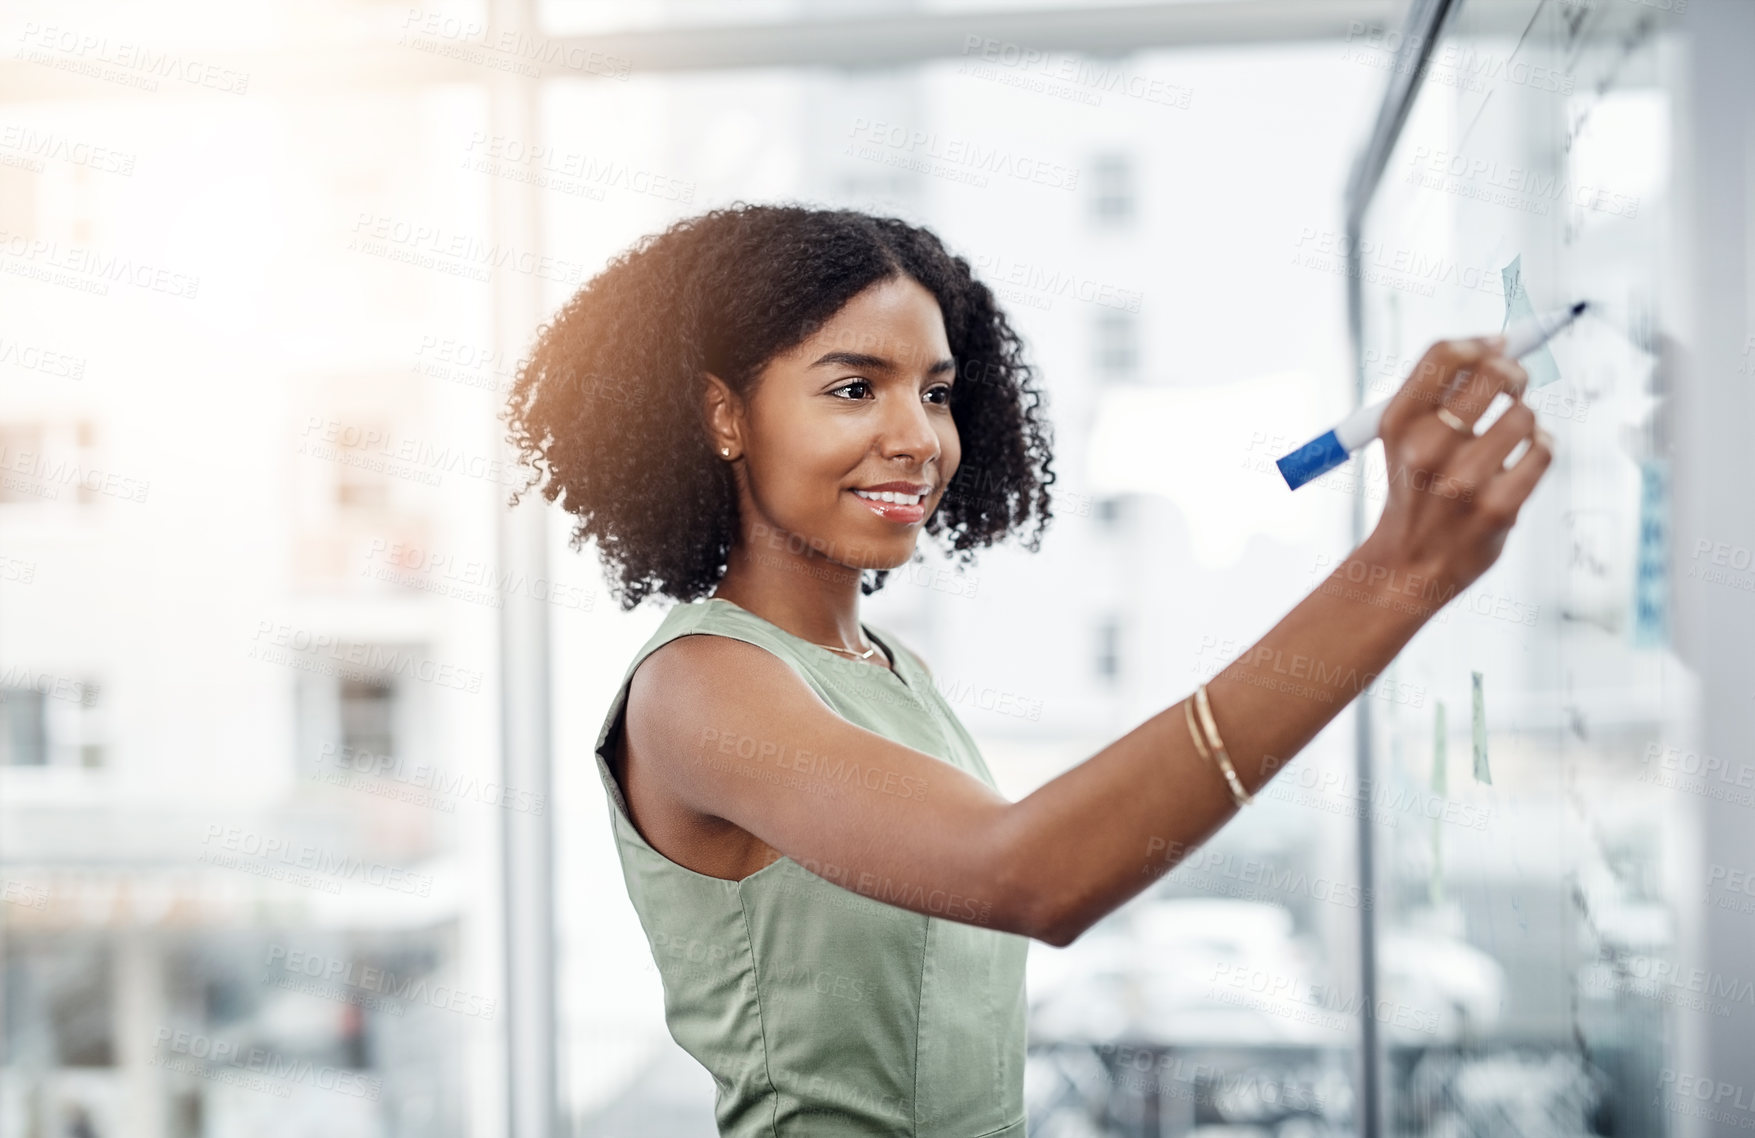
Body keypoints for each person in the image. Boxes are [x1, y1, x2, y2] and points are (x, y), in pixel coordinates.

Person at [501, 203, 1549, 1137]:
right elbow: (1030, 873)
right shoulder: (701, 688)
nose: (918, 437)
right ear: (725, 414)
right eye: (856, 387)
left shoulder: (884, 665)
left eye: (939, 392)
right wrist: (1393, 578)